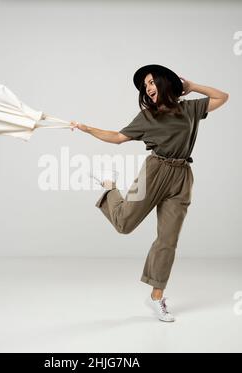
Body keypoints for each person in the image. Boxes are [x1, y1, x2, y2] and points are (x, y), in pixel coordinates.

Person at [70, 64, 229, 322]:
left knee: (168, 239)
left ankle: (157, 297)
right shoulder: (147, 117)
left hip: (182, 176)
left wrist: (191, 87)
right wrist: (88, 129)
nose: (149, 88)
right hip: (155, 171)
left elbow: (223, 97)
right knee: (124, 224)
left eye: (152, 82)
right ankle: (111, 189)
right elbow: (118, 137)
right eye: (146, 86)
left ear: (165, 83)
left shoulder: (190, 109)